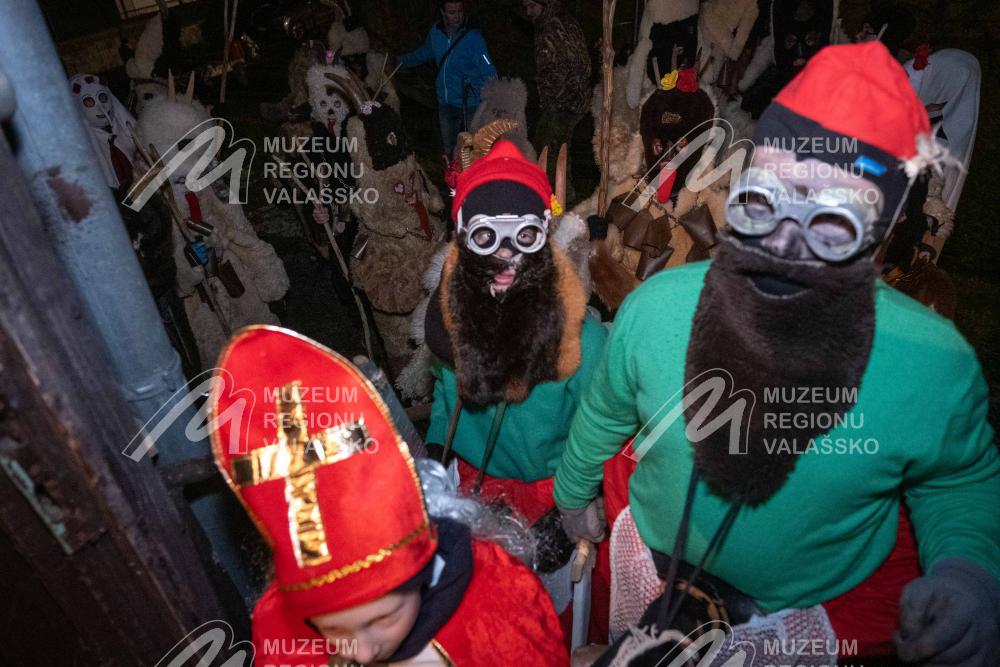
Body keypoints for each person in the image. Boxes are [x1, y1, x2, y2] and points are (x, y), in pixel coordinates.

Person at [556, 41, 999, 666]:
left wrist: (968, 571)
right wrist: (572, 492)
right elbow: (605, 410)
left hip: (806, 607)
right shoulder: (656, 309)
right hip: (655, 564)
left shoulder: (930, 363)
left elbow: (958, 476)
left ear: (885, 225)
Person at [209, 326, 568, 666]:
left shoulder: (499, 599)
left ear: (421, 570)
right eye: (334, 631)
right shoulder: (279, 625)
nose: (363, 653)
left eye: (385, 618)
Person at [423, 140, 607, 524]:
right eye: (485, 237)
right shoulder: (449, 322)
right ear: (462, 239)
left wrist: (575, 498)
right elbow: (444, 391)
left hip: (550, 490)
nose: (505, 254)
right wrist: (437, 448)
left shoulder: (580, 340)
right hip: (470, 481)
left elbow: (601, 425)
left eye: (524, 236)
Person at [398, 0, 497, 159]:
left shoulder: (473, 37)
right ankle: (452, 173)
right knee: (451, 151)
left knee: (473, 151)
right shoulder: (436, 32)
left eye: (460, 11)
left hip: (470, 105)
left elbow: (488, 69)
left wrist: (491, 98)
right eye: (452, 12)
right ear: (443, 13)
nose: (457, 16)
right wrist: (401, 62)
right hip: (445, 103)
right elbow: (425, 52)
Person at [521, 0, 591, 202]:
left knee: (548, 151)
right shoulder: (559, 21)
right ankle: (561, 197)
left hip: (563, 104)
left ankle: (557, 200)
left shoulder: (554, 25)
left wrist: (554, 94)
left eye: (532, 6)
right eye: (525, 7)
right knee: (558, 150)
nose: (528, 12)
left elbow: (571, 64)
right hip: (566, 101)